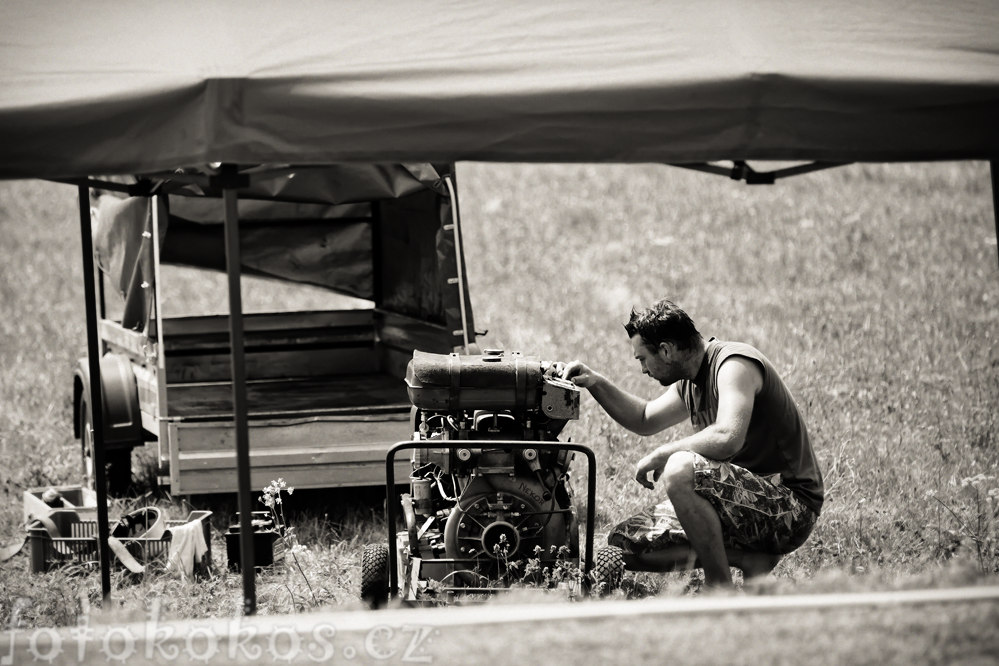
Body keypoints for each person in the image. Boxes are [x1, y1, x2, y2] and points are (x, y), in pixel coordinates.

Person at [556, 299, 823, 588]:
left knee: (681, 469)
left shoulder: (733, 365)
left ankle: (718, 588)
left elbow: (727, 437)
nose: (643, 369)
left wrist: (663, 453)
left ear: (667, 350)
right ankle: (749, 559)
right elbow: (645, 418)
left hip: (789, 507)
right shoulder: (689, 381)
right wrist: (595, 382)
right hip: (738, 503)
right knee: (623, 545)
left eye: (642, 359)